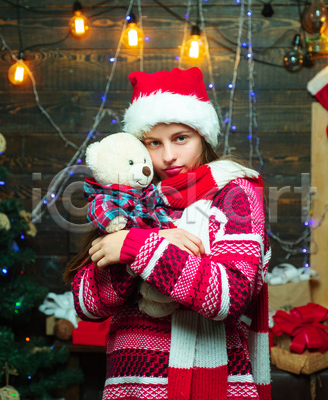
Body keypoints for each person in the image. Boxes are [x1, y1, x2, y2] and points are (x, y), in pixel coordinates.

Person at [69, 67, 271, 400]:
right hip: (131, 384)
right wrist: (143, 246)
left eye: (180, 138)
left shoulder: (234, 193)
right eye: (153, 142)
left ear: (202, 136)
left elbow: (229, 295)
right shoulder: (127, 202)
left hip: (210, 385)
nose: (168, 156)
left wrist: (140, 246)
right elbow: (86, 304)